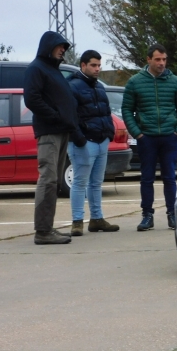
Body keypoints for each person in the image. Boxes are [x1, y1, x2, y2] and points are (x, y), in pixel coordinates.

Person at [24, 31, 84, 245]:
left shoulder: (52, 70)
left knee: (55, 182)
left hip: (61, 131)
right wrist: (56, 116)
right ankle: (42, 232)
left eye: (64, 48)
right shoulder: (36, 69)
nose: (63, 50)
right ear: (48, 46)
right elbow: (32, 99)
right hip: (49, 132)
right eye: (60, 46)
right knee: (48, 180)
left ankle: (47, 228)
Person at [122, 44, 177, 231]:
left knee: (169, 177)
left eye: (164, 59)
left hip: (169, 136)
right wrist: (138, 133)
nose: (162, 63)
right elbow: (127, 109)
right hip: (147, 137)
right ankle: (147, 215)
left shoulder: (174, 81)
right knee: (147, 178)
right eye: (158, 59)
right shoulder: (135, 82)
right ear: (148, 59)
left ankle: (172, 214)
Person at [67, 50, 120, 236]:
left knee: (96, 183)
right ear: (83, 65)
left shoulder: (99, 87)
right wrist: (79, 138)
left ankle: (96, 219)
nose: (97, 69)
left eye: (99, 65)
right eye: (93, 65)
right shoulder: (73, 86)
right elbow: (70, 117)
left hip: (101, 140)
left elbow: (106, 111)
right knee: (80, 182)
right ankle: (77, 221)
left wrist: (109, 133)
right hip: (84, 143)